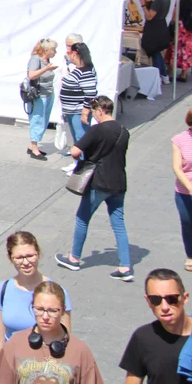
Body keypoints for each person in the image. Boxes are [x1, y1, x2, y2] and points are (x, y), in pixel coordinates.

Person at [55, 95, 133, 281]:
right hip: (119, 181)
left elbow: (75, 151)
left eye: (94, 113)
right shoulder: (124, 131)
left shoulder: (97, 130)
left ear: (99, 111)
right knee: (118, 223)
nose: (93, 117)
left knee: (83, 217)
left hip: (99, 181)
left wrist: (81, 160)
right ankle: (125, 267)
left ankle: (74, 258)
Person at [0, 282, 101, 384]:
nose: (45, 317)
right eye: (39, 309)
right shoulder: (15, 344)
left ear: (63, 310)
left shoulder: (80, 351)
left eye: (52, 311)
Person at [0, 231, 71, 369]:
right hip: (11, 366)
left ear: (38, 253)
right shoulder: (3, 289)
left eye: (30, 256)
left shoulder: (56, 292)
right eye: (19, 257)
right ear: (10, 258)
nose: (25, 262)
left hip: (45, 368)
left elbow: (66, 340)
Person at [121, 268, 192, 384]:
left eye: (172, 299)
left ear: (185, 298)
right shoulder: (143, 338)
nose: (164, 307)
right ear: (148, 301)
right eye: (156, 300)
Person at [58, 42, 96, 146]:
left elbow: (91, 94)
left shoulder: (86, 72)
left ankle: (83, 161)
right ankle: (77, 161)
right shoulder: (78, 70)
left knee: (81, 137)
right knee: (76, 137)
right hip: (71, 110)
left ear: (74, 55)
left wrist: (85, 113)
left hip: (78, 111)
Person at [26, 39, 59, 160]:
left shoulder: (47, 60)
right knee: (37, 120)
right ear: (46, 50)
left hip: (48, 93)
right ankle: (34, 148)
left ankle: (32, 145)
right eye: (53, 50)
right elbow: (31, 75)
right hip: (39, 95)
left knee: (44, 120)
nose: (55, 52)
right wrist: (46, 69)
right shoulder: (36, 59)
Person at [172, 107, 192, 271]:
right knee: (187, 223)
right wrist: (190, 188)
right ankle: (191, 255)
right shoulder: (179, 140)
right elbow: (177, 168)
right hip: (184, 191)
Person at [141, 0, 173, 83]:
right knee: (157, 53)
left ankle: (158, 76)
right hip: (161, 26)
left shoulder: (158, 0)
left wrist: (143, 5)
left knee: (154, 52)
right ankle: (163, 76)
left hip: (154, 29)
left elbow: (149, 16)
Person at [167, 0, 192, 82]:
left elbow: (174, 16)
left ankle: (170, 72)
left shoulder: (179, 1)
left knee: (175, 50)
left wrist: (171, 25)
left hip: (180, 28)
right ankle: (183, 74)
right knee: (187, 50)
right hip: (190, 30)